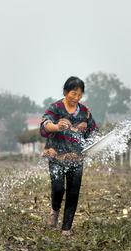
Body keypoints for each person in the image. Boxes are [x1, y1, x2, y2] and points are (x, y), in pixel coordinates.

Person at [40, 76, 98, 236]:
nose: (76, 98)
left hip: (76, 157)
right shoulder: (56, 108)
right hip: (56, 155)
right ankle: (55, 210)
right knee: (58, 188)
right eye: (73, 94)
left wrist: (91, 139)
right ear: (65, 92)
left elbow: (93, 131)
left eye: (79, 95)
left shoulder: (85, 112)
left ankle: (66, 227)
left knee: (73, 191)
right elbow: (44, 126)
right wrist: (57, 126)